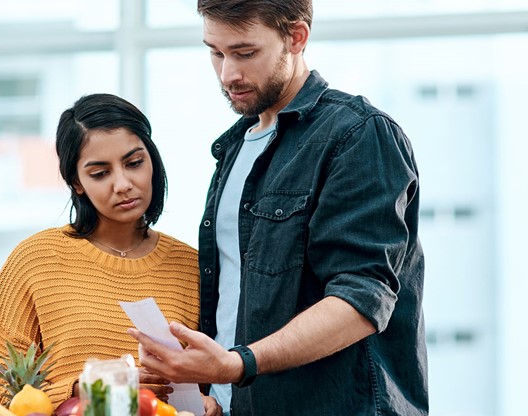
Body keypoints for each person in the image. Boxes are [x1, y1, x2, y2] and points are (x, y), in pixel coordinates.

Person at [128, 1, 428, 415]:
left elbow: (362, 300)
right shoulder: (234, 148)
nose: (228, 73)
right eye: (216, 52)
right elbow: (239, 302)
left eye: (245, 53)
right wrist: (217, 394)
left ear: (296, 37)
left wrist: (238, 364)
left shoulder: (357, 135)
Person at [0, 93, 222, 416]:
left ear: (153, 160)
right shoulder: (35, 260)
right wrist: (85, 390)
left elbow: (215, 378)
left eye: (134, 163)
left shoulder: (193, 267)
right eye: (100, 173)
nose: (122, 184)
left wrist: (211, 405)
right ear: (76, 181)